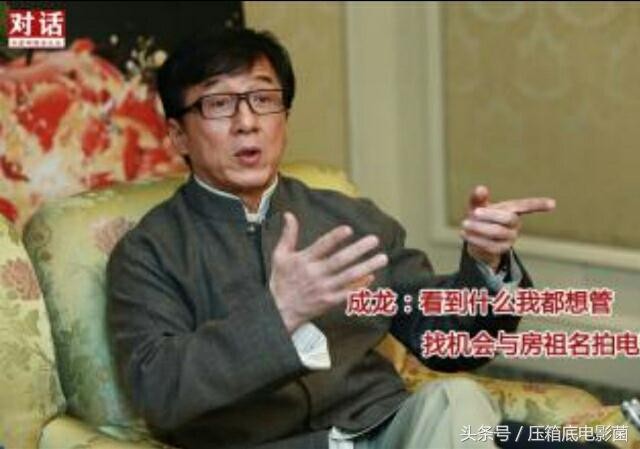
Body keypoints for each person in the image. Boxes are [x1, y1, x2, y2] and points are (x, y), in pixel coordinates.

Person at [107, 27, 611, 449]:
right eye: (219, 104)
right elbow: (160, 390)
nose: (247, 123)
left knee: (455, 400)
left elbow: (449, 342)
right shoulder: (149, 251)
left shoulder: (346, 217)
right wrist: (280, 314)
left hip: (384, 429)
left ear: (284, 117)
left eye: (263, 99)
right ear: (178, 135)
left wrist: (485, 263)